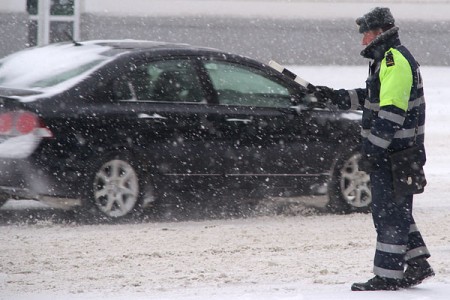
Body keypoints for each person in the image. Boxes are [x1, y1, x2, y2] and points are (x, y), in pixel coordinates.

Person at [313, 7, 435, 291]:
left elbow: (392, 111)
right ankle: (417, 263)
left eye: (365, 34)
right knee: (395, 211)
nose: (362, 42)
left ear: (379, 33)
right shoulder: (387, 60)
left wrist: (373, 150)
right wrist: (336, 96)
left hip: (396, 153)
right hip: (398, 152)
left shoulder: (394, 61)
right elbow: (374, 96)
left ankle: (388, 276)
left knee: (388, 213)